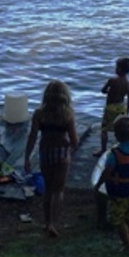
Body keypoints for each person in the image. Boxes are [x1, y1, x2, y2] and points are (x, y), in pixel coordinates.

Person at [23, 80, 79, 238]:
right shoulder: (67, 115)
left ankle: (47, 222)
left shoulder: (39, 114)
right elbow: (74, 141)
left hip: (46, 153)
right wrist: (70, 149)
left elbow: (32, 137)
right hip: (62, 154)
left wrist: (27, 157)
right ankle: (54, 223)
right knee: (58, 190)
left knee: (48, 189)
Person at [94, 115, 129, 252]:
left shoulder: (114, 155)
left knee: (117, 220)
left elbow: (107, 172)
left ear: (116, 135)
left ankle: (127, 246)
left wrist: (99, 184)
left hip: (120, 192)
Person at [95, 57, 129, 156]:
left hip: (110, 107)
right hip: (121, 108)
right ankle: (121, 150)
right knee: (120, 129)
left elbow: (103, 90)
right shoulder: (128, 84)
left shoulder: (112, 80)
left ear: (119, 69)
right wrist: (127, 111)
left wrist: (109, 92)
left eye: (116, 67)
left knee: (104, 129)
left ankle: (103, 150)